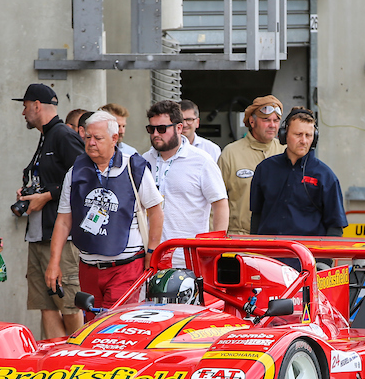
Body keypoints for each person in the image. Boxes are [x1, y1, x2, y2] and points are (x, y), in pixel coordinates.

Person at [47, 112, 164, 318]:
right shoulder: (75, 171)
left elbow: (155, 212)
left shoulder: (133, 167)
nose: (91, 143)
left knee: (115, 326)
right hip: (88, 266)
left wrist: (152, 253)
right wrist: (54, 263)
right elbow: (64, 221)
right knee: (92, 327)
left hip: (126, 266)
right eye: (88, 137)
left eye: (98, 138)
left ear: (114, 138)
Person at [14, 83, 85, 339]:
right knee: (45, 306)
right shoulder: (45, 136)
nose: (23, 113)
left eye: (24, 106)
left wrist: (46, 196)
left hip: (61, 239)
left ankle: (80, 362)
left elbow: (83, 179)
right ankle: (57, 367)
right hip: (37, 236)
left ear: (36, 105)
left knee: (68, 304)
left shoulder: (63, 135)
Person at [142, 100, 228, 266]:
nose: (155, 134)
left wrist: (216, 246)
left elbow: (220, 204)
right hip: (150, 255)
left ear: (179, 128)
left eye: (161, 129)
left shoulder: (201, 160)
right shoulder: (143, 160)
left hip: (188, 256)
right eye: (151, 129)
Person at [250, 109, 346, 242]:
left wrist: (322, 261)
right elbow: (256, 216)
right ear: (284, 135)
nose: (304, 140)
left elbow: (335, 226)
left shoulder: (325, 176)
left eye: (308, 135)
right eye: (298, 134)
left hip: (307, 258)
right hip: (268, 257)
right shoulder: (264, 169)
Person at [217, 95, 284, 235]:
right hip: (240, 239)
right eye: (266, 120)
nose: (272, 125)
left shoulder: (285, 152)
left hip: (278, 240)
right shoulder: (231, 153)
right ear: (252, 121)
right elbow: (216, 201)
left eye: (276, 120)